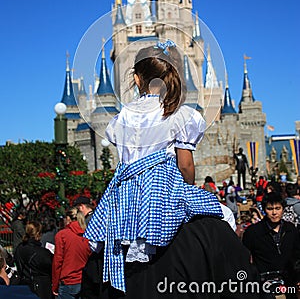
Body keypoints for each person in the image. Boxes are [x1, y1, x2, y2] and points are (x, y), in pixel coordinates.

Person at [83, 41, 223, 293]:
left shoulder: (122, 117)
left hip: (124, 197)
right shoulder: (179, 114)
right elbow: (185, 164)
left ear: (137, 79)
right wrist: (186, 189)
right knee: (225, 216)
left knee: (102, 242)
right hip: (162, 191)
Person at [243, 192, 300, 297]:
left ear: (283, 209)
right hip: (264, 284)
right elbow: (244, 258)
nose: (274, 212)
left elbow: (297, 255)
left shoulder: (291, 229)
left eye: (278, 208)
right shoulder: (253, 232)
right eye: (270, 209)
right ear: (264, 210)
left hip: (289, 282)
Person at [52, 208, 91, 298]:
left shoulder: (62, 235)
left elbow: (57, 262)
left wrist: (55, 285)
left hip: (67, 281)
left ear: (68, 218)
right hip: (83, 280)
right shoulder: (87, 235)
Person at [14, 221, 53, 299]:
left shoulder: (19, 247)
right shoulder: (41, 252)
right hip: (40, 288)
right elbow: (52, 265)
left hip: (24, 284)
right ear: (38, 234)